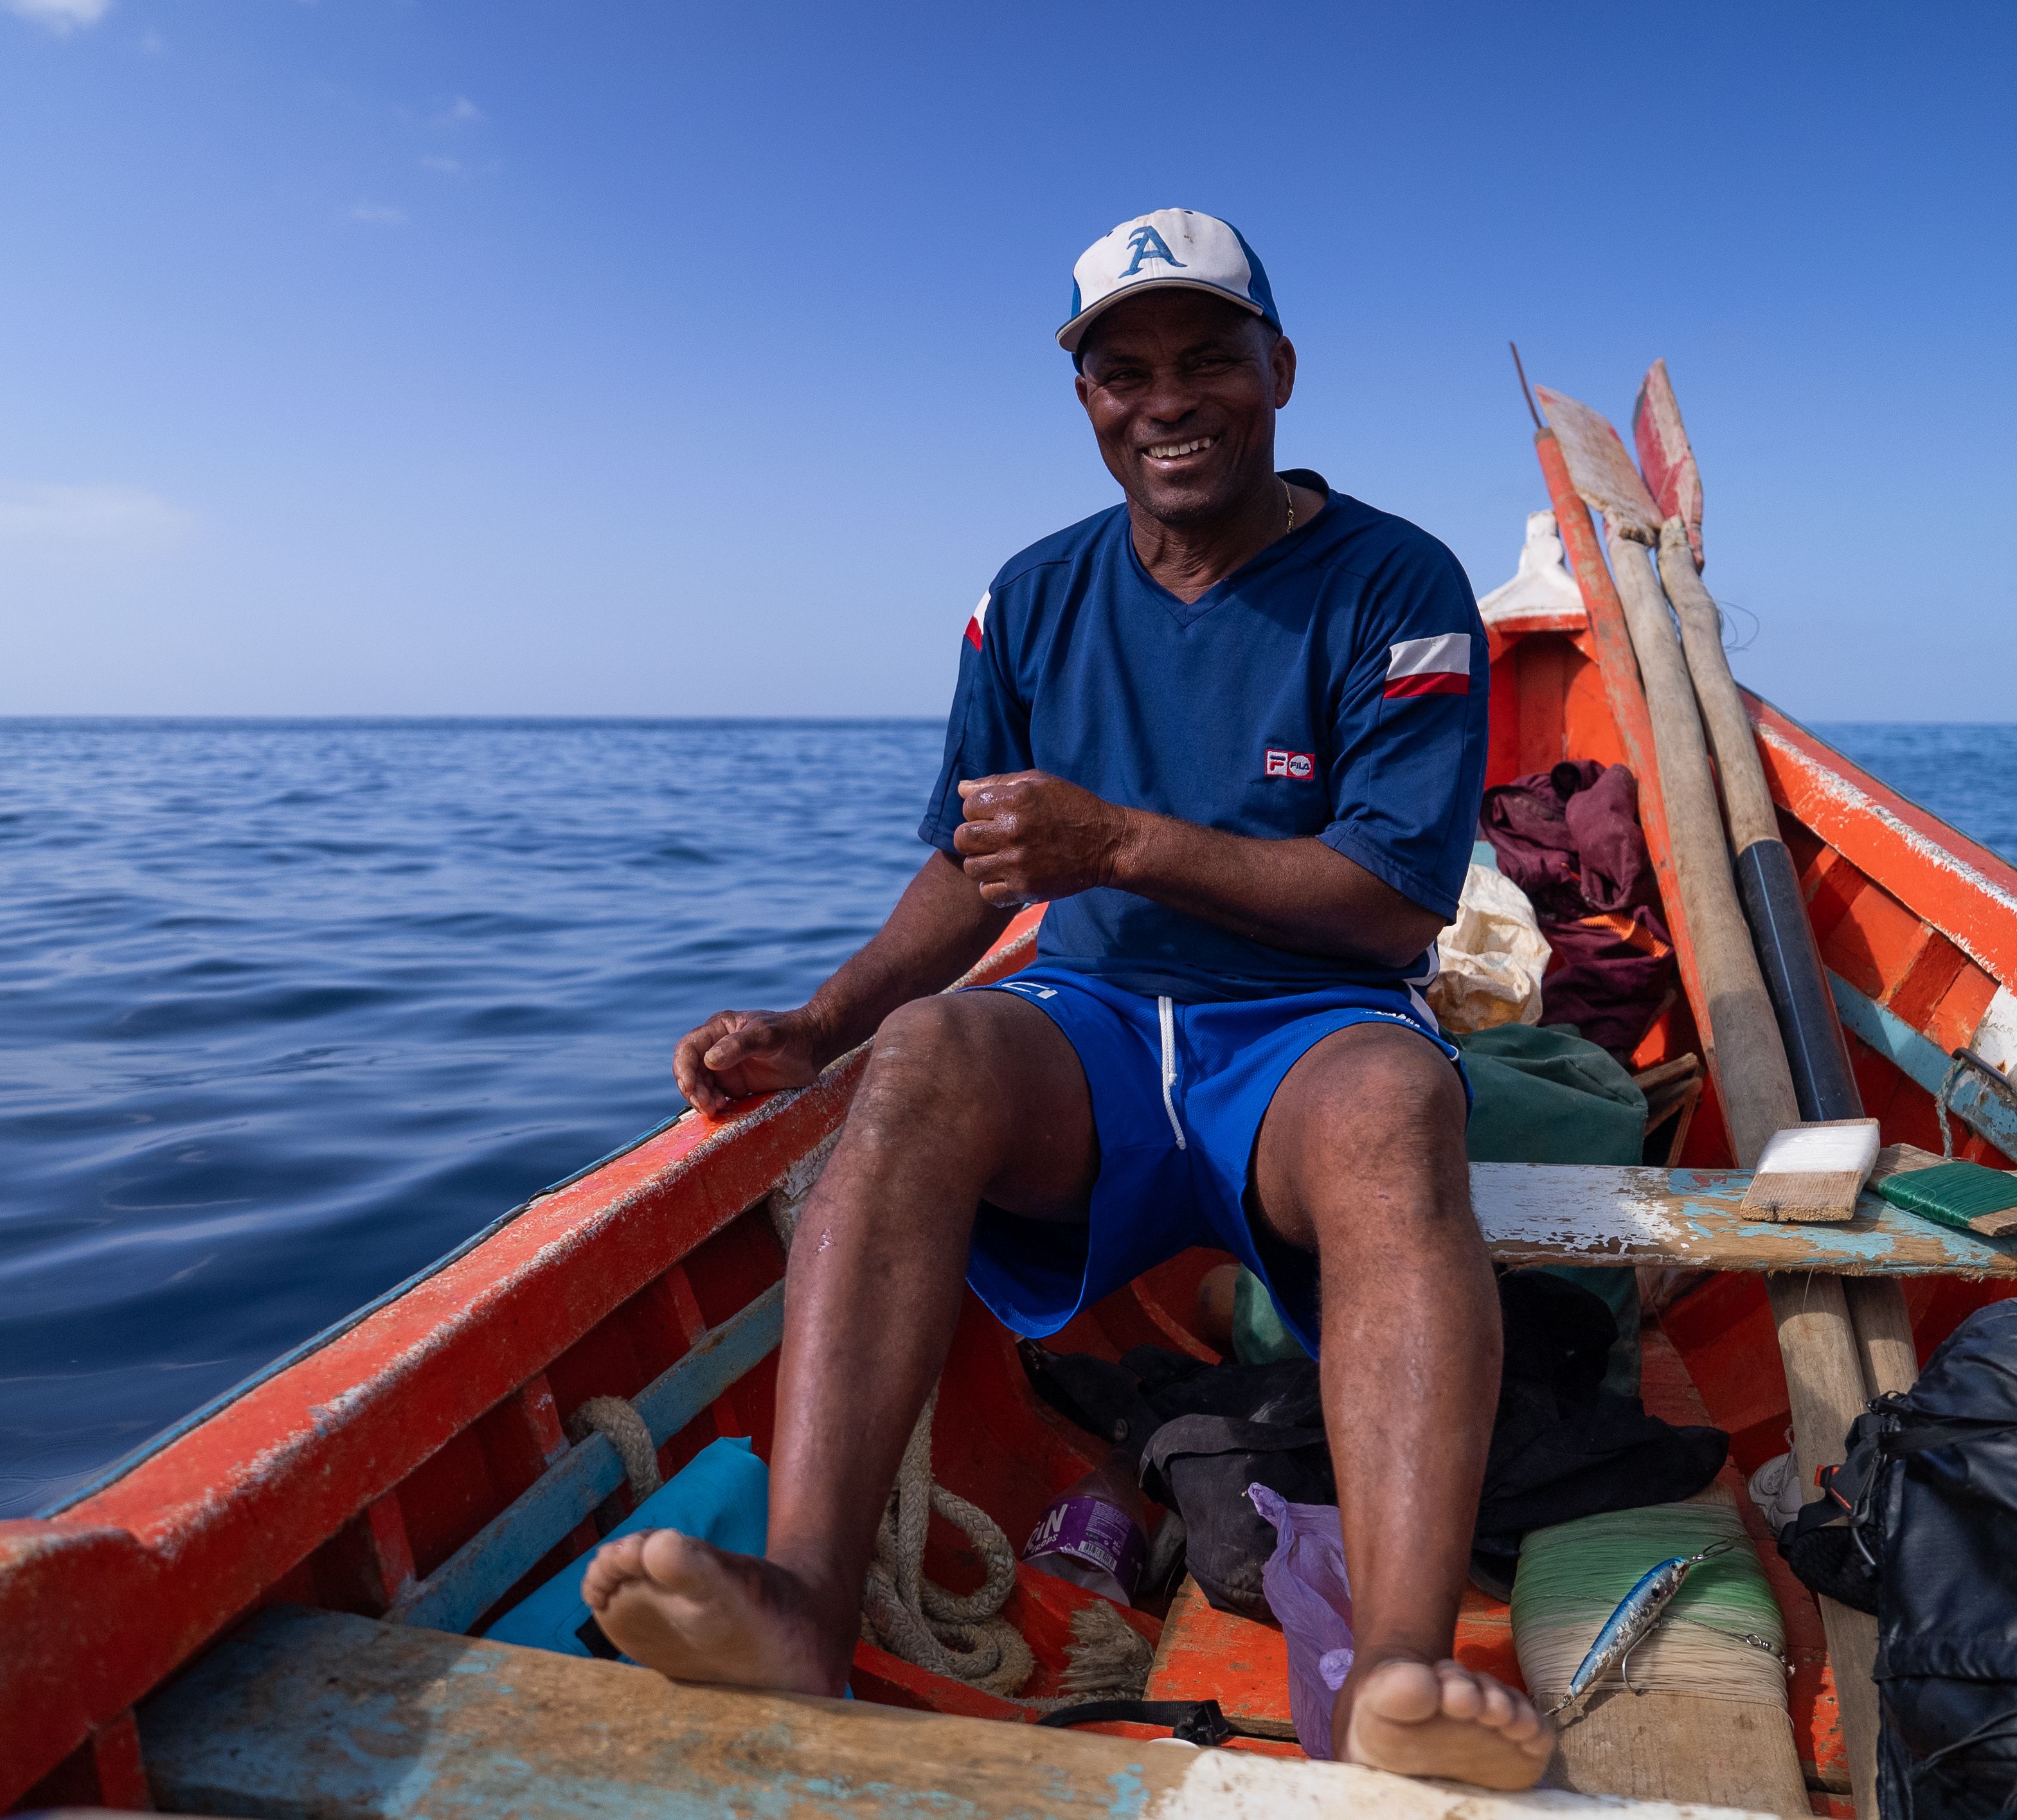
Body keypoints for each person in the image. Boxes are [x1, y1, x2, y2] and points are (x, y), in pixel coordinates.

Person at [584, 208, 1549, 1789]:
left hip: (1304, 1037)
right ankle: (804, 1603)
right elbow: (973, 873)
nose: (1164, 401)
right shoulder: (1025, 596)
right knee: (920, 1055)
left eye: (1204, 362)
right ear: (1087, 402)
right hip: (1089, 1033)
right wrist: (818, 1024)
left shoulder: (1397, 581)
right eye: (1123, 372)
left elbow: (1388, 898)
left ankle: (1395, 1668)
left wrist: (1113, 839)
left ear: (1279, 372)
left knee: (1397, 1105)